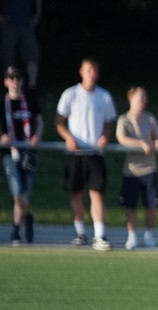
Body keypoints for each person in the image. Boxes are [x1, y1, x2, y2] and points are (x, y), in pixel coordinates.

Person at [55, 58, 117, 251]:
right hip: (75, 152)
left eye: (94, 70)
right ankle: (80, 232)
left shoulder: (104, 96)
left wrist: (105, 138)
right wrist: (68, 137)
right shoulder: (70, 94)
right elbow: (59, 121)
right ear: (81, 71)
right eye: (89, 70)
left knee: (96, 192)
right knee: (76, 192)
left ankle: (99, 235)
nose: (92, 73)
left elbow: (108, 123)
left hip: (95, 152)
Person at [0, 65, 41, 245]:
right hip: (10, 152)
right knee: (17, 190)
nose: (15, 81)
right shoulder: (0, 103)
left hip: (28, 150)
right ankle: (27, 217)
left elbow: (39, 121)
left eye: (18, 78)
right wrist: (1, 135)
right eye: (11, 78)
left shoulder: (29, 100)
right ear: (6, 81)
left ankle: (16, 228)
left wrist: (37, 136)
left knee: (25, 192)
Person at [116, 86, 158, 250]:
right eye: (140, 96)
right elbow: (121, 138)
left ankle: (149, 234)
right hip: (131, 170)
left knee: (151, 205)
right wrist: (141, 143)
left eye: (145, 97)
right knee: (130, 205)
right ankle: (132, 236)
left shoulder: (150, 118)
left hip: (150, 168)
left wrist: (157, 143)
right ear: (131, 98)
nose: (144, 100)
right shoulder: (124, 119)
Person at [0, 0, 41, 89]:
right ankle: (11, 88)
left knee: (32, 56)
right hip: (8, 23)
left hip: (26, 23)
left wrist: (37, 15)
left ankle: (32, 88)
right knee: (8, 58)